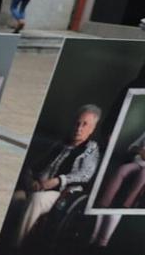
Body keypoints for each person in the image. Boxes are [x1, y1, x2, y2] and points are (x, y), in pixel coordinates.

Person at [9, 104, 102, 247]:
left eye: (85, 124)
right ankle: (2, 241)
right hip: (39, 187)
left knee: (37, 199)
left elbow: (85, 175)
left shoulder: (91, 148)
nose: (79, 128)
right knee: (16, 197)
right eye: (77, 123)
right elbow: (34, 166)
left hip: (63, 194)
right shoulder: (61, 142)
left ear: (92, 129)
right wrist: (31, 181)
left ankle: (15, 246)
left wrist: (58, 180)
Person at [90, 130, 145, 247]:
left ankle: (125, 205)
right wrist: (140, 151)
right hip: (138, 162)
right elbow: (131, 147)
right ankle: (103, 203)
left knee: (143, 175)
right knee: (122, 169)